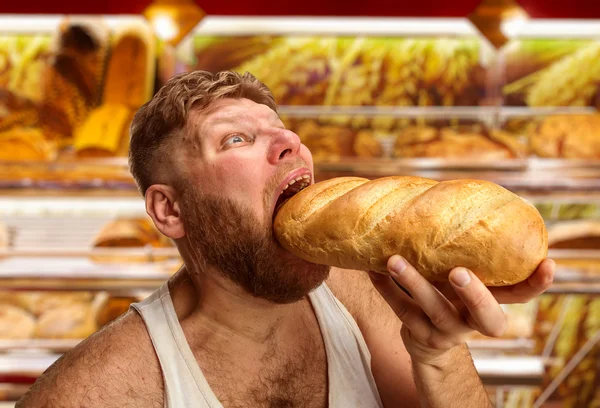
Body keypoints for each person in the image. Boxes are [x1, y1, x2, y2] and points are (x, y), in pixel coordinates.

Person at [18, 70, 556, 408]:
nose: (290, 145)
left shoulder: (367, 294)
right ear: (169, 209)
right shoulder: (102, 390)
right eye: (236, 138)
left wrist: (440, 357)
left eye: (284, 132)